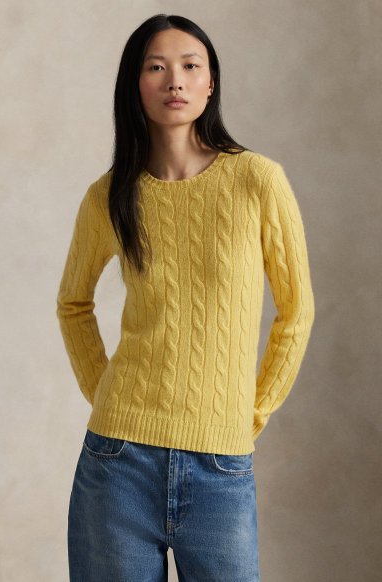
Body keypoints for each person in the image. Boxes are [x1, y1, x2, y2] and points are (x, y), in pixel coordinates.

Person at [56, 13, 315, 582]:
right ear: (135, 83)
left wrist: (251, 412)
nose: (175, 80)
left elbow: (297, 311)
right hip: (117, 462)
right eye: (156, 67)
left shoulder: (258, 181)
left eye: (190, 65)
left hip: (221, 462)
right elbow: (73, 303)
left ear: (210, 82)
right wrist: (107, 395)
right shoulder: (109, 196)